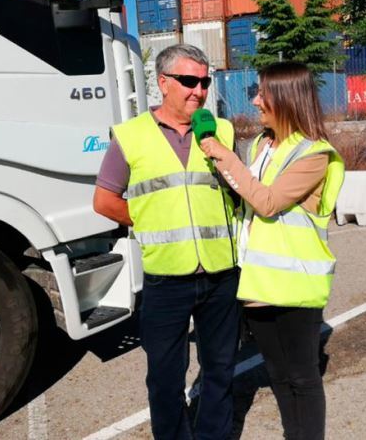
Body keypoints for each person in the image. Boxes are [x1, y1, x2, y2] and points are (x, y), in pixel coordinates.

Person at [93, 44, 240, 440]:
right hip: (166, 278)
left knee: (220, 370)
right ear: (163, 82)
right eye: (189, 81)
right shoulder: (131, 136)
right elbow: (104, 200)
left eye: (205, 82)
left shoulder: (222, 131)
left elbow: (240, 191)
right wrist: (147, 220)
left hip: (221, 274)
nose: (199, 91)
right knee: (164, 379)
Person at [200, 61, 345, 440]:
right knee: (278, 374)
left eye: (262, 93)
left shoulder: (313, 154)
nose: (255, 101)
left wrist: (223, 156)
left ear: (286, 98)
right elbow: (246, 197)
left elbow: (267, 202)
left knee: (303, 376)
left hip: (296, 284)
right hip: (259, 280)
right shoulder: (261, 146)